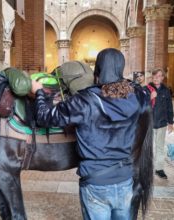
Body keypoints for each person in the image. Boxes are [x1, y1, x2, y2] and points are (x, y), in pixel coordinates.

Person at [32, 48, 150, 219]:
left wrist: (39, 93)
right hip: (125, 180)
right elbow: (142, 91)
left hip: (96, 183)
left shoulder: (84, 101)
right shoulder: (138, 97)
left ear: (97, 70)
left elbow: (45, 118)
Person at [145, 68, 174, 179]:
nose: (157, 78)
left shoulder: (166, 90)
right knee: (148, 148)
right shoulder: (145, 89)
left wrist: (171, 122)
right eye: (155, 76)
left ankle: (159, 169)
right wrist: (149, 97)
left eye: (160, 76)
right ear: (152, 77)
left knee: (160, 147)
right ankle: (147, 169)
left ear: (163, 78)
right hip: (148, 124)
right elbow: (139, 105)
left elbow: (169, 107)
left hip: (162, 123)